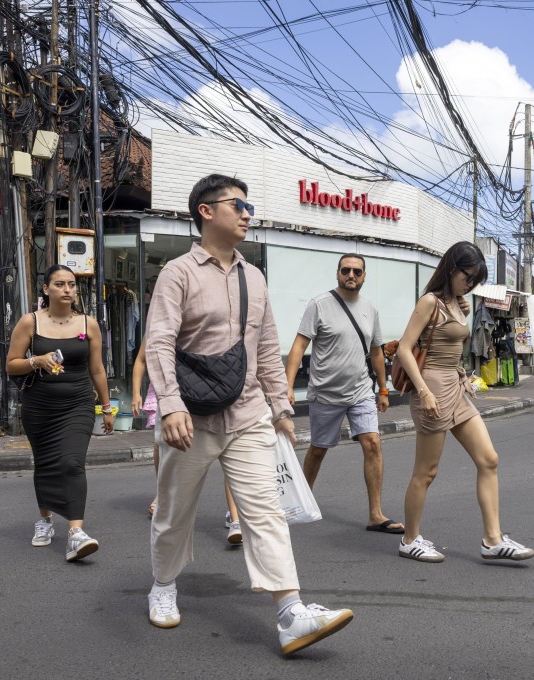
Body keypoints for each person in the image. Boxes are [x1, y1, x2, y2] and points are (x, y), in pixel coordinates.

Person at [143, 173, 353, 656]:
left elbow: (265, 348)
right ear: (206, 211)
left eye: (248, 206)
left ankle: (290, 613)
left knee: (265, 513)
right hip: (190, 418)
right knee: (174, 514)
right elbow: (159, 341)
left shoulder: (253, 276)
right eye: (237, 205)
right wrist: (170, 404)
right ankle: (163, 584)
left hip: (247, 413)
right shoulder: (178, 272)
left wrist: (282, 407)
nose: (246, 214)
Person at [393, 242, 534, 564]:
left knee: (489, 459)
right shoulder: (429, 301)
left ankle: (493, 540)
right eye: (467, 276)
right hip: (431, 388)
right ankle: (410, 538)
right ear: (451, 269)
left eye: (474, 279)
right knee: (426, 472)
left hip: (455, 388)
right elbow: (404, 348)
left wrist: (460, 309)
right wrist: (424, 392)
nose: (470, 284)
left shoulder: (459, 303)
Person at [284, 254, 403, 534]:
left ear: (364, 277)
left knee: (373, 442)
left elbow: (376, 351)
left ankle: (375, 514)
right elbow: (299, 347)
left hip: (360, 390)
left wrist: (383, 389)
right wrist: (287, 387)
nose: (351, 275)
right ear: (338, 273)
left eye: (357, 271)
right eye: (346, 270)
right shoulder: (319, 305)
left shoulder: (370, 309)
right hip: (326, 394)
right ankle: (301, 501)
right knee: (318, 450)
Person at [5, 264, 113, 562]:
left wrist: (106, 407)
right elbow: (11, 364)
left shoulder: (88, 324)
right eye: (60, 284)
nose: (67, 289)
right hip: (39, 407)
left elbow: (97, 369)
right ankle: (45, 520)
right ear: (46, 289)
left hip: (77, 404)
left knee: (71, 462)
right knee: (46, 463)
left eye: (71, 284)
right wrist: (35, 361)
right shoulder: (30, 323)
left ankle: (76, 534)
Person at [132, 342, 243, 544]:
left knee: (231, 447)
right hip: (168, 392)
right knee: (163, 444)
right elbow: (141, 360)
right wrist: (135, 394)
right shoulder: (159, 322)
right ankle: (163, 495)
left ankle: (235, 518)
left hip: (212, 390)